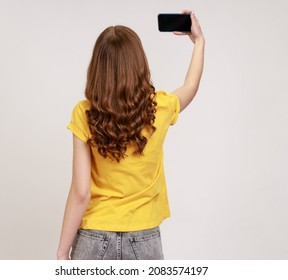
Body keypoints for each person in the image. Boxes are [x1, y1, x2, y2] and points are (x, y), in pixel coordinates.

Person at [57, 10, 204, 260]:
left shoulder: (84, 113)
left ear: (97, 68)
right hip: (144, 237)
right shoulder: (159, 107)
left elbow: (81, 192)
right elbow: (190, 87)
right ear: (139, 65)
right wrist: (199, 42)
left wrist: (62, 251)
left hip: (94, 235)